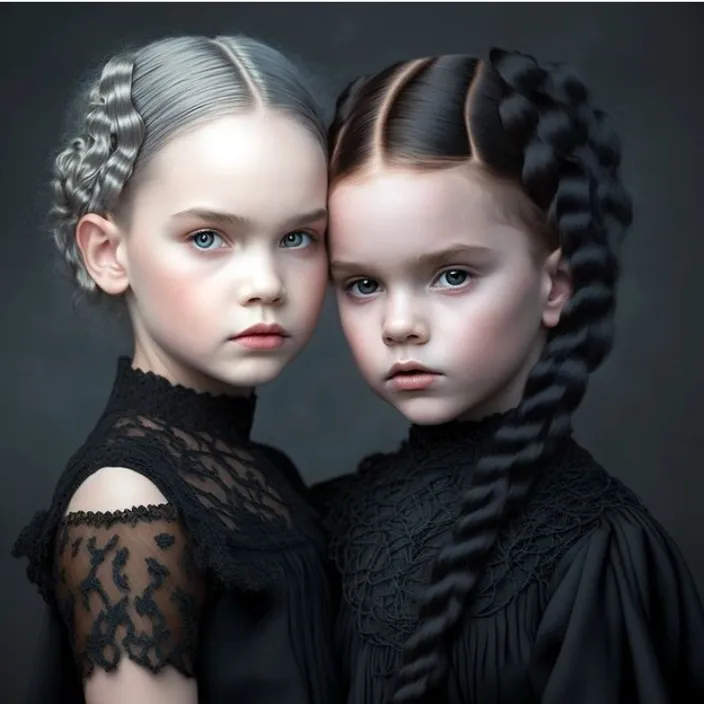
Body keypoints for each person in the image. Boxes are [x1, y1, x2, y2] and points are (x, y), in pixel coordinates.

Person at [316, 48, 704, 703]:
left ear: (557, 286)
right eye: (362, 284)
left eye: (453, 275)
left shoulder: (598, 555)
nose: (399, 323)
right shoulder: (323, 522)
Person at [13, 34, 338, 704]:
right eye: (207, 237)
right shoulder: (128, 502)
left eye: (298, 237)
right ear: (108, 252)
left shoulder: (262, 472)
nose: (266, 282)